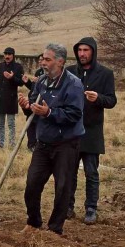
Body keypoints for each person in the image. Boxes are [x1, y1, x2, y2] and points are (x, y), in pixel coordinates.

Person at [18, 43, 85, 235]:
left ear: (60, 62)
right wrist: (26, 105)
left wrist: (49, 113)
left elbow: (74, 114)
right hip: (43, 143)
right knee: (32, 184)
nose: (43, 62)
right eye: (42, 59)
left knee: (62, 187)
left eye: (47, 59)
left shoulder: (73, 84)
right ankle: (34, 222)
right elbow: (33, 108)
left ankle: (55, 229)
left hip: (66, 144)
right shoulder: (41, 82)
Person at [66, 37, 117, 224]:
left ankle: (91, 208)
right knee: (68, 171)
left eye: (86, 50)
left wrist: (99, 99)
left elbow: (112, 100)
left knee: (91, 171)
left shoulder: (105, 74)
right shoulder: (69, 73)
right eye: (79, 50)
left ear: (93, 52)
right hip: (71, 130)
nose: (82, 54)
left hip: (92, 130)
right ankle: (67, 206)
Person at [0, 47, 24, 148]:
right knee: (0, 124)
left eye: (9, 54)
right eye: (5, 54)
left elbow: (21, 82)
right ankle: (0, 143)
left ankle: (11, 144)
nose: (7, 56)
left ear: (13, 56)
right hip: (0, 98)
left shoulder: (18, 67)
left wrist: (12, 78)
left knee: (11, 124)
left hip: (11, 98)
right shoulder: (0, 66)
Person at [22, 54, 46, 151]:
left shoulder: (51, 74)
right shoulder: (38, 72)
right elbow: (34, 89)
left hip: (42, 105)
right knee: (30, 125)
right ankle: (31, 145)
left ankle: (37, 146)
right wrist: (28, 82)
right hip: (32, 103)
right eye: (39, 60)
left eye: (43, 59)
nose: (41, 62)